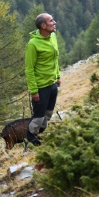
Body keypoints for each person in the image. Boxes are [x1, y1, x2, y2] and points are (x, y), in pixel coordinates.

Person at [24, 12, 61, 147]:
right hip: (40, 87)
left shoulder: (53, 37)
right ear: (43, 26)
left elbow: (55, 58)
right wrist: (34, 91)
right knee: (38, 116)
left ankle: (41, 136)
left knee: (48, 113)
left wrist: (57, 76)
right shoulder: (33, 44)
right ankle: (31, 138)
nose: (54, 22)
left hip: (52, 84)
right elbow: (29, 69)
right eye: (51, 21)